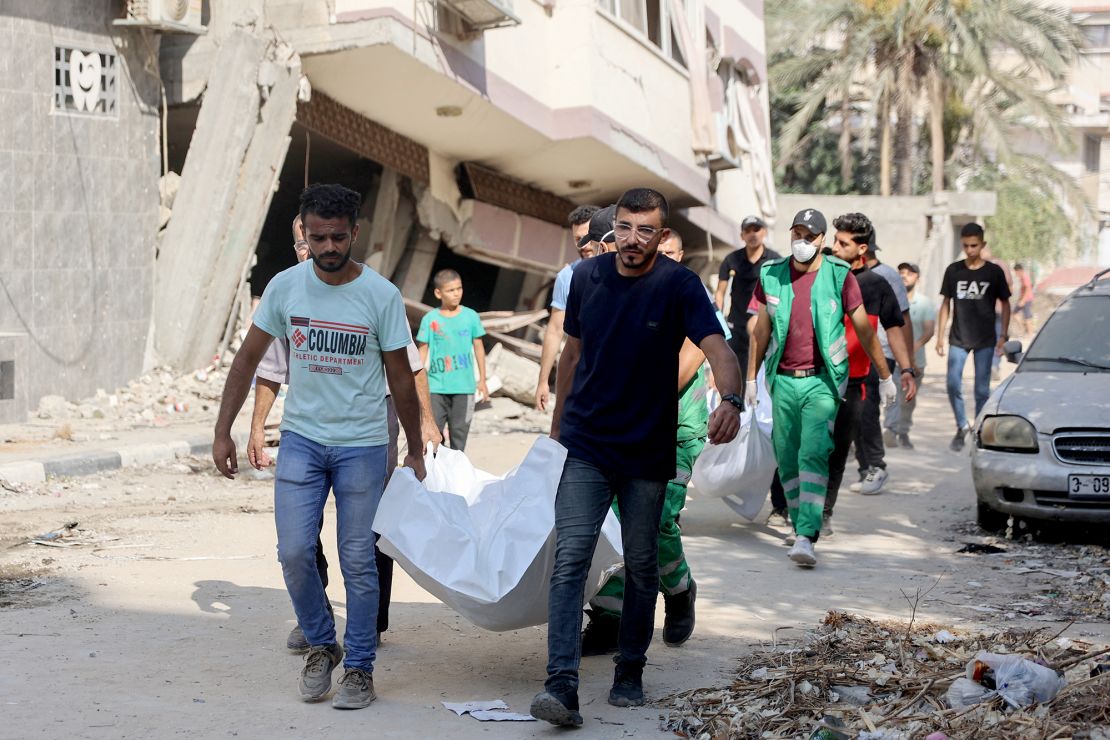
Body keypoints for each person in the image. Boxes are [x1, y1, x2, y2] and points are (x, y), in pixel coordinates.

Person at [530, 188, 742, 727]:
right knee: (570, 558)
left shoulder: (679, 286)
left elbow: (717, 347)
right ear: (612, 231)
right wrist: (557, 430)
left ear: (661, 235)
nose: (632, 239)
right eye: (624, 228)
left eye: (645, 230)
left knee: (642, 560)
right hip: (586, 445)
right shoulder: (584, 280)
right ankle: (561, 685)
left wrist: (732, 399)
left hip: (648, 449)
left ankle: (630, 669)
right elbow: (572, 354)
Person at [212, 183, 426, 710]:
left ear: (355, 233)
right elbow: (246, 362)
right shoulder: (285, 288)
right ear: (303, 234)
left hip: (363, 445)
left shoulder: (380, 296)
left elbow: (401, 377)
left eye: (337, 237)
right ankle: (321, 642)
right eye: (317, 237)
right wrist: (225, 430)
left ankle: (358, 667)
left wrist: (416, 446)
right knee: (293, 551)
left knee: (357, 558)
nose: (328, 247)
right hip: (303, 443)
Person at [247, 215, 442, 653]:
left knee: (368, 532)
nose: (315, 249)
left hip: (371, 423)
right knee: (299, 534)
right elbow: (269, 368)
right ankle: (313, 616)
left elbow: (410, 367)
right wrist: (256, 425)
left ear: (348, 239)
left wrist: (424, 423)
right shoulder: (287, 292)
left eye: (327, 239)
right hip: (309, 431)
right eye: (306, 242)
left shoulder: (373, 294)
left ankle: (367, 626)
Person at [580, 232, 725, 656]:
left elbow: (685, 363)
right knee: (614, 524)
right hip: (623, 432)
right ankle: (609, 617)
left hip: (676, 432)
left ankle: (679, 589)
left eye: (670, 254)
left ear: (682, 258)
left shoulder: (691, 300)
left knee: (657, 520)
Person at [747, 209, 910, 567]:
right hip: (782, 381)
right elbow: (759, 330)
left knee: (814, 453)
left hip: (822, 381)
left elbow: (865, 329)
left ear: (821, 240)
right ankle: (796, 517)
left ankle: (807, 533)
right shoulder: (772, 275)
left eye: (810, 236)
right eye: (797, 234)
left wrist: (885, 375)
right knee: (787, 458)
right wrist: (750, 378)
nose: (802, 242)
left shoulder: (840, 276)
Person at [824, 214, 915, 534]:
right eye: (835, 240)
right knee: (804, 446)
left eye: (843, 243)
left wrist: (905, 370)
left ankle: (824, 512)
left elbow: (894, 329)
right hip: (815, 377)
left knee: (838, 448)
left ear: (862, 248)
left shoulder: (877, 285)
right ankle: (787, 505)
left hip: (856, 379)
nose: (834, 247)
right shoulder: (820, 273)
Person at [936, 223, 1012, 452]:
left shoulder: (993, 272)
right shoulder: (953, 270)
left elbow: (1006, 304)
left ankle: (979, 432)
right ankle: (961, 426)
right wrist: (940, 336)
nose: (970, 250)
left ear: (982, 244)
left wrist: (1003, 335)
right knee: (952, 384)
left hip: (986, 339)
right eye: (966, 245)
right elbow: (945, 303)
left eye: (974, 245)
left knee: (981, 390)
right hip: (958, 337)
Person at [850, 230, 914, 495]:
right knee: (853, 414)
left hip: (881, 354)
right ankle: (865, 468)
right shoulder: (843, 275)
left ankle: (876, 465)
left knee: (866, 411)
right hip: (851, 354)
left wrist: (908, 364)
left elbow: (901, 320)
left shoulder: (887, 277)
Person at [535, 205, 601, 411]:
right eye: (577, 239)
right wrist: (543, 381)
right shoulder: (567, 277)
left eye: (588, 236)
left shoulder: (625, 271)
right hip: (580, 378)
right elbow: (555, 331)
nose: (583, 244)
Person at [416, 269, 489, 452]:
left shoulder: (471, 316)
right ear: (438, 293)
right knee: (434, 438)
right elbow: (421, 353)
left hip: (464, 389)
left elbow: (479, 348)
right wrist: (415, 382)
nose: (456, 293)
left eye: (459, 288)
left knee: (459, 438)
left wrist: (482, 380)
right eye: (451, 290)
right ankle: (433, 479)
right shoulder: (430, 319)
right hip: (435, 388)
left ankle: (455, 478)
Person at [714, 215, 781, 392]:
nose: (752, 234)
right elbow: (719, 293)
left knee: (763, 376)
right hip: (736, 326)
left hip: (765, 328)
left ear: (764, 232)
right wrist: (718, 323)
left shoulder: (776, 260)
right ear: (742, 235)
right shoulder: (732, 259)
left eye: (756, 229)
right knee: (733, 375)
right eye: (748, 230)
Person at [883, 263, 935, 449]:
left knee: (908, 399)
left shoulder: (924, 303)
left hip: (917, 361)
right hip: (893, 358)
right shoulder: (890, 299)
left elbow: (929, 330)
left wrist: (914, 347)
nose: (904, 276)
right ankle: (891, 429)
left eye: (909, 273)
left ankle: (903, 431)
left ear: (917, 278)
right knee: (893, 394)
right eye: (901, 272)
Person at [1013, 262, 1035, 336]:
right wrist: (1020, 299)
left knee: (1027, 316)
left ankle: (1030, 333)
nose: (1016, 274)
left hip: (1027, 299)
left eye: (1016, 272)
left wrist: (1023, 300)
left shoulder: (1025, 277)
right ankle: (1024, 328)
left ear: (1020, 270)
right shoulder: (1022, 278)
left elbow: (1028, 288)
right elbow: (1023, 290)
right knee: (1014, 313)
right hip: (1024, 299)